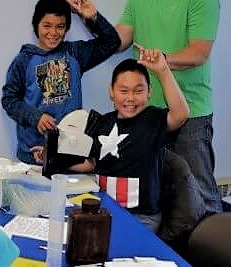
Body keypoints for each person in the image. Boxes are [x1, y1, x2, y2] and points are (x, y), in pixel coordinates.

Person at [112, 0, 222, 215]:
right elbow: (120, 37)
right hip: (149, 112)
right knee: (162, 191)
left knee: (200, 192)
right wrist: (91, 17)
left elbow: (199, 53)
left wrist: (160, 61)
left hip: (190, 113)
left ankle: (216, 257)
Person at [1, 0, 120, 165]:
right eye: (47, 25)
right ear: (36, 25)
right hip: (32, 155)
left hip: (70, 152)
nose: (53, 33)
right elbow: (9, 100)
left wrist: (91, 17)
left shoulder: (75, 53)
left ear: (66, 28)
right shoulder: (23, 60)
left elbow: (112, 42)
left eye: (60, 26)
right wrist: (35, 117)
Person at [69, 54, 189, 231]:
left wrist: (163, 70)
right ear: (111, 91)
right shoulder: (101, 122)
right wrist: (53, 157)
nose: (130, 98)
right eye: (123, 91)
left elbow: (181, 114)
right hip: (101, 210)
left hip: (141, 217)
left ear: (149, 91)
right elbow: (90, 163)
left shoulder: (154, 120)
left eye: (138, 91)